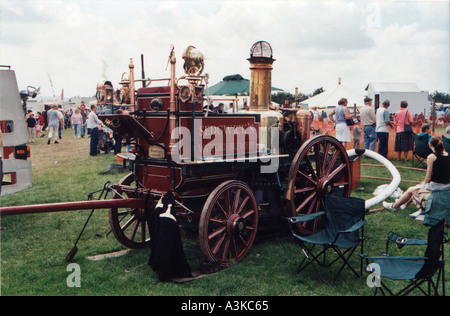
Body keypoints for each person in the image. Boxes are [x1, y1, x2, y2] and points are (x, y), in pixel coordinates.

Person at [383, 136, 450, 222]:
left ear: (430, 145)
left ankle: (394, 206)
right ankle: (405, 204)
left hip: (436, 187)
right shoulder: (448, 154)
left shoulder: (432, 157)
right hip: (446, 185)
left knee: (411, 189)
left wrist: (424, 184)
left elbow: (428, 177)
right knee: (418, 186)